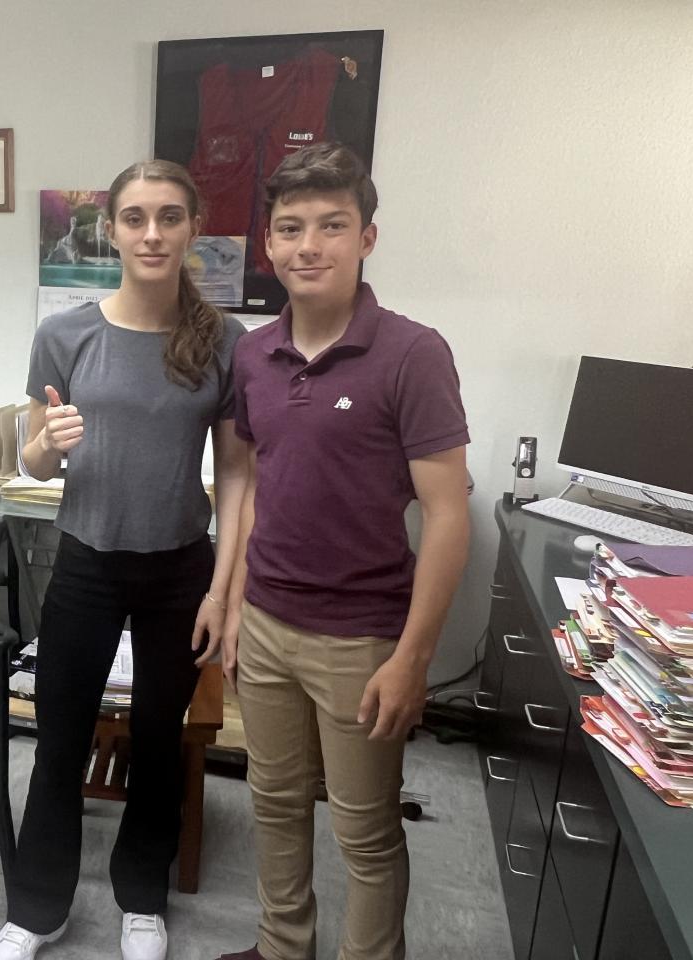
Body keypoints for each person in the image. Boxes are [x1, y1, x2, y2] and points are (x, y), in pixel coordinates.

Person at [0, 159, 250, 960]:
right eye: (135, 218)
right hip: (86, 566)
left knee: (160, 739)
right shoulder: (64, 335)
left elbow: (239, 475)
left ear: (193, 227)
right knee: (60, 739)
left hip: (180, 571)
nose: (152, 234)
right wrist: (46, 445)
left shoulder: (222, 341)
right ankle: (39, 910)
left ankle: (142, 897)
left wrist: (224, 592)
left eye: (170, 217)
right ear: (111, 231)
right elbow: (34, 463)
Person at [214, 142, 471, 960]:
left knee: (364, 831)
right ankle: (282, 946)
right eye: (291, 228)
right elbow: (253, 484)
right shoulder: (253, 353)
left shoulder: (413, 353)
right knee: (274, 803)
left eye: (332, 226)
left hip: (361, 639)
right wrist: (234, 605)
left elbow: (448, 514)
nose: (309, 246)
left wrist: (413, 659)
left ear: (367, 238)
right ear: (268, 244)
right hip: (267, 625)